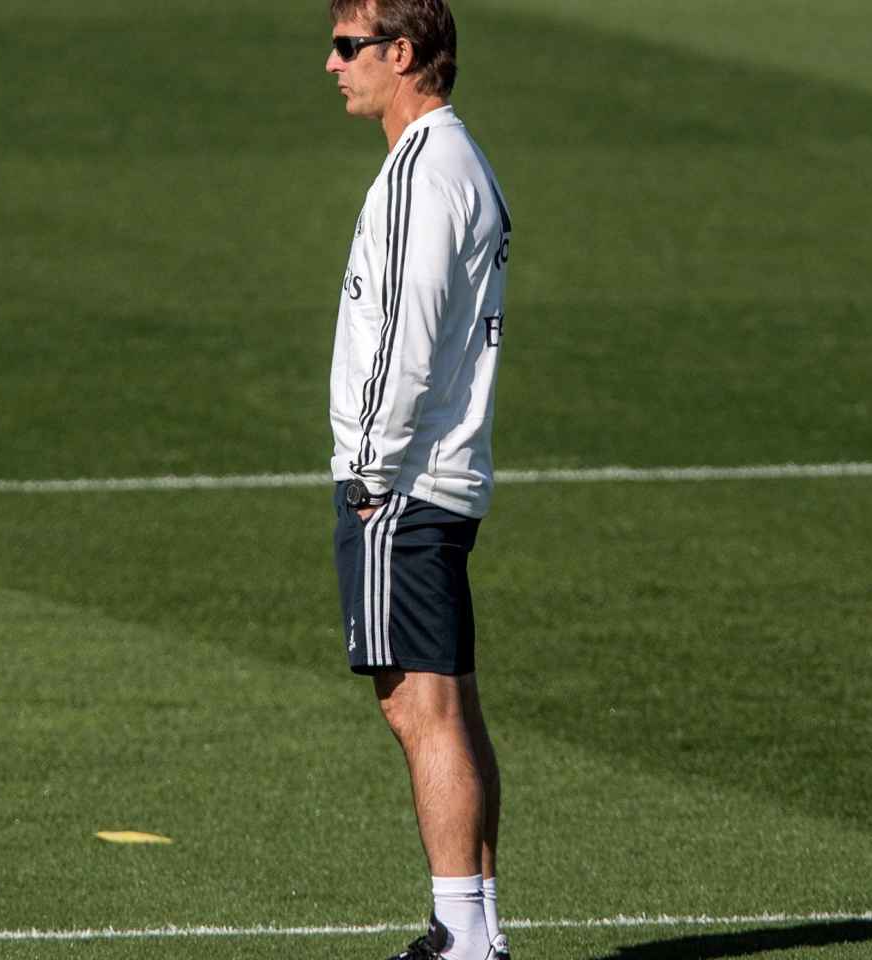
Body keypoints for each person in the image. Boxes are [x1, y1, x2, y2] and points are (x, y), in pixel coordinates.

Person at [323, 1, 514, 958]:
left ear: (403, 56)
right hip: (444, 475)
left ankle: (463, 941)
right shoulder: (461, 163)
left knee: (419, 705)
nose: (333, 64)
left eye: (350, 48)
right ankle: (476, 929)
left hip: (403, 481)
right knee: (451, 704)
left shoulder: (419, 176)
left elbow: (404, 339)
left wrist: (368, 471)